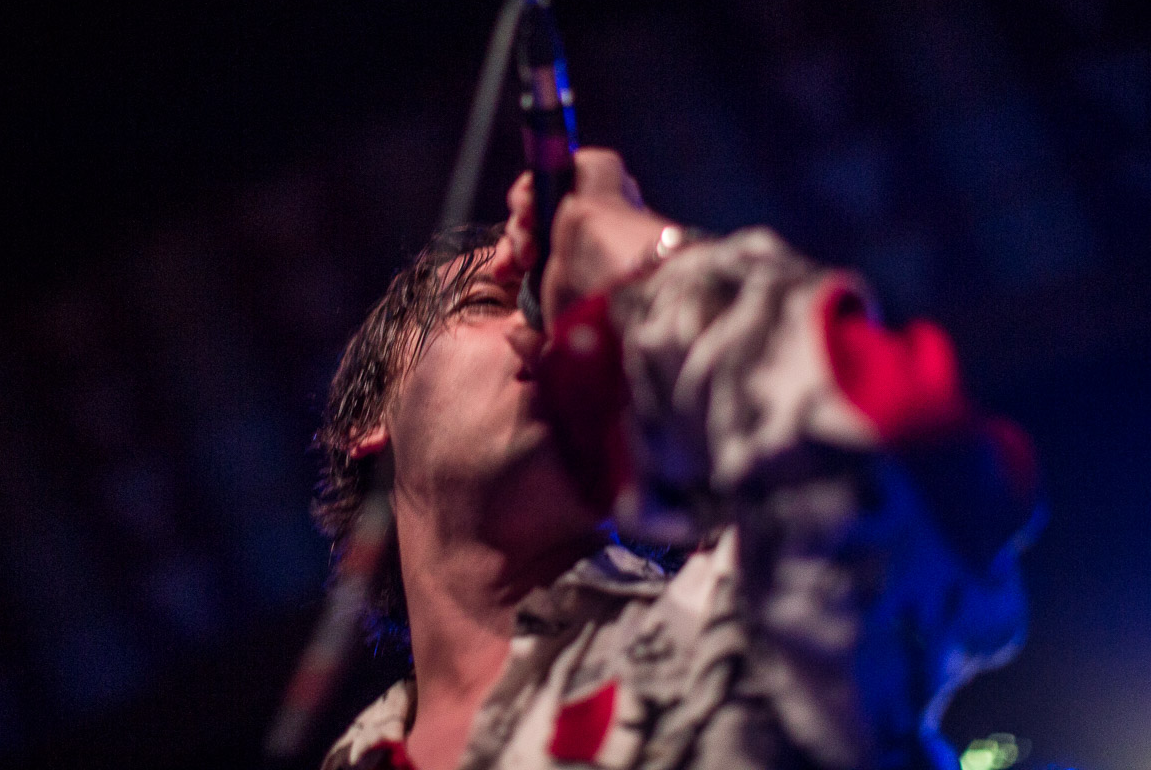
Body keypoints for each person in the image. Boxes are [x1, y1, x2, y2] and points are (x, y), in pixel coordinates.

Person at [312, 149, 1040, 770]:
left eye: (554, 306)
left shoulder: (739, 624)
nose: (543, 325)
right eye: (488, 301)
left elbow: (919, 459)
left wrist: (633, 253)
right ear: (368, 419)